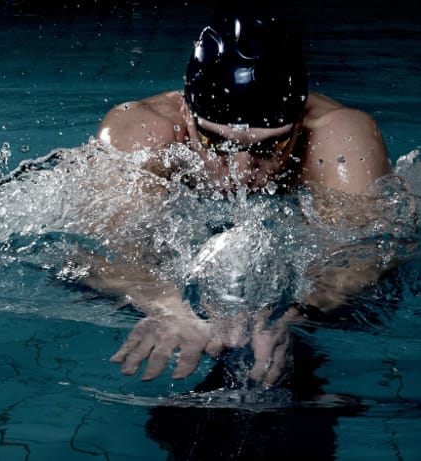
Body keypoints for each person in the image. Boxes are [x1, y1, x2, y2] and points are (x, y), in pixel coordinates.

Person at [89, 14, 404, 386]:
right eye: (217, 143)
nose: (239, 170)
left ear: (300, 123)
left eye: (269, 146)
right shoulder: (142, 133)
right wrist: (165, 304)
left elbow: (368, 253)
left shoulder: (339, 139)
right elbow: (99, 248)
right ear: (187, 113)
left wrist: (295, 317)